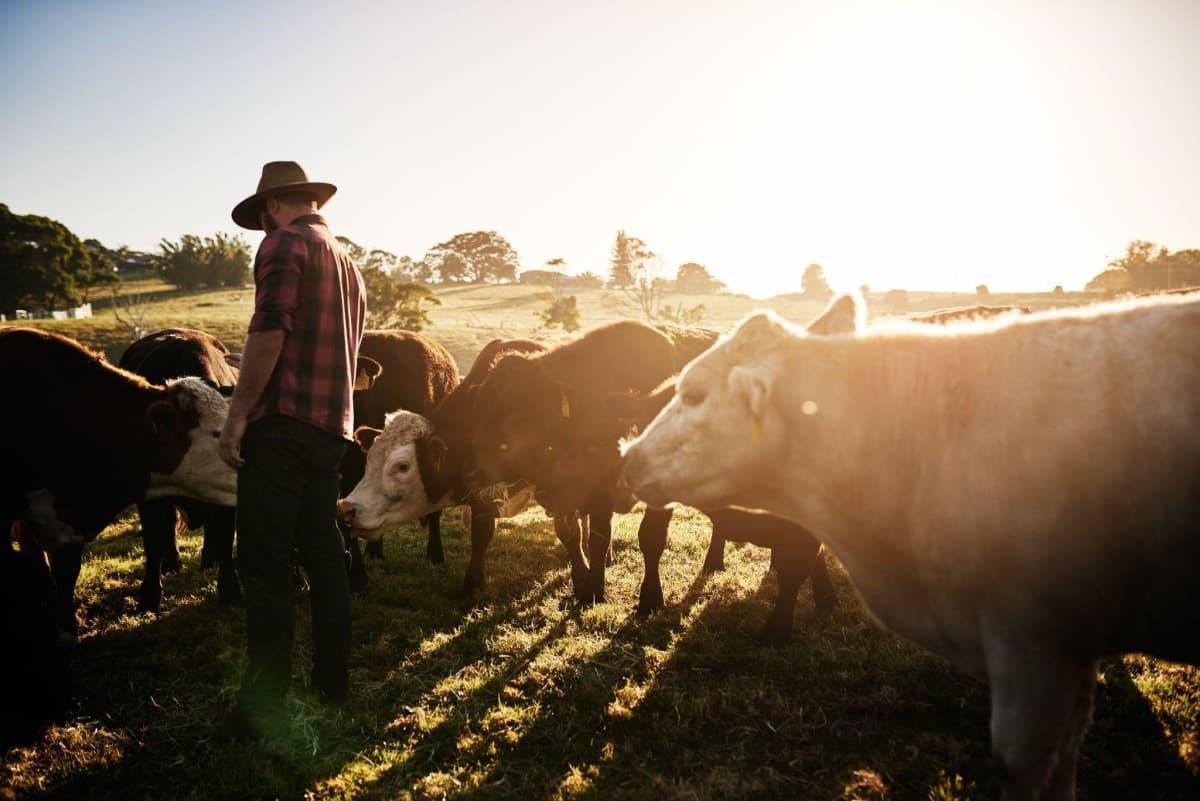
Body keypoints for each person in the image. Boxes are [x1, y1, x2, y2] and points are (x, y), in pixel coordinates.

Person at [218, 161, 366, 737]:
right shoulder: (348, 262)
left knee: (263, 563)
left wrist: (236, 418)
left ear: (274, 205)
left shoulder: (282, 244)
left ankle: (264, 704)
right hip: (332, 428)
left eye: (260, 217)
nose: (261, 227)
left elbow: (270, 328)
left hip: (280, 426)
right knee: (324, 554)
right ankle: (332, 681)